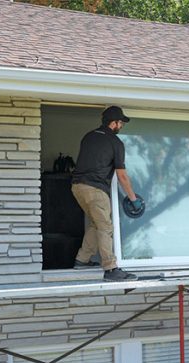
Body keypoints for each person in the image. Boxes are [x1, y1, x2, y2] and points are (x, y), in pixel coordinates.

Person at [71, 106, 142, 281]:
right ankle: (111, 269)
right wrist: (133, 199)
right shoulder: (116, 143)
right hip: (95, 189)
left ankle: (82, 259)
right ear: (114, 123)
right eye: (121, 123)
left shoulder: (89, 136)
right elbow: (122, 176)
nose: (122, 126)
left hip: (77, 187)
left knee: (96, 223)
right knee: (105, 227)